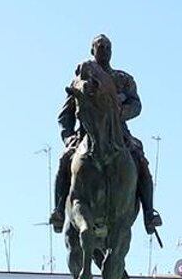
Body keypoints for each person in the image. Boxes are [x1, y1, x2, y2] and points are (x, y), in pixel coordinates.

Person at [49, 33, 164, 236]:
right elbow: (65, 115)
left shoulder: (122, 79)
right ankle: (59, 210)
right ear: (92, 51)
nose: (104, 51)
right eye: (100, 48)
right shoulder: (81, 80)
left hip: (118, 134)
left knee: (140, 159)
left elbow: (136, 105)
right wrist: (69, 137)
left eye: (107, 48)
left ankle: (148, 213)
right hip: (85, 134)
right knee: (64, 159)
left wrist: (120, 111)